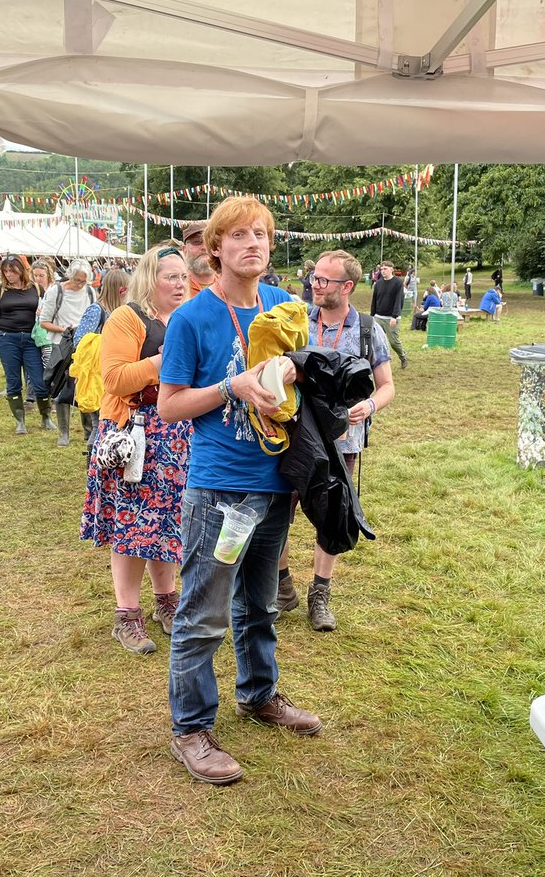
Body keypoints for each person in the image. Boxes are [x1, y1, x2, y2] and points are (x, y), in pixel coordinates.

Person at [158, 196, 320, 786]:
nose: (254, 243)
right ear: (216, 248)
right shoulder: (192, 318)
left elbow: (303, 370)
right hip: (220, 491)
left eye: (262, 234)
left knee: (261, 603)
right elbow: (170, 405)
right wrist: (233, 385)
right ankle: (192, 728)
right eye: (240, 235)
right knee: (203, 613)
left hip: (276, 483)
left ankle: (259, 695)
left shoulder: (283, 307)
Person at [276, 250, 395, 631]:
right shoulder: (296, 320)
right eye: (314, 276)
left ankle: (320, 594)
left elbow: (387, 385)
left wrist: (370, 405)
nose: (315, 283)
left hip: (342, 441)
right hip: (292, 434)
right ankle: (282, 588)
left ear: (347, 287)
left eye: (324, 280)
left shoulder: (366, 328)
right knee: (279, 512)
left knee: (331, 513)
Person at [83, 245, 191, 653]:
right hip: (136, 434)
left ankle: (167, 601)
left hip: (179, 434)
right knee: (132, 527)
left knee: (166, 523)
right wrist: (158, 364)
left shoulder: (186, 316)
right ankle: (126, 616)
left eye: (183, 277)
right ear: (150, 278)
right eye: (171, 277)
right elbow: (113, 379)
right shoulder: (128, 318)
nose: (179, 284)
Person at [0, 254, 54, 434]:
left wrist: (43, 313)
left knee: (39, 380)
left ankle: (46, 416)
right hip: (7, 338)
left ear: (21, 271)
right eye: (6, 271)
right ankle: (20, 421)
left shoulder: (36, 288)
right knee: (13, 380)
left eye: (12, 271)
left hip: (31, 339)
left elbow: (48, 310)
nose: (9, 275)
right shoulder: (0, 290)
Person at [73, 268, 131, 453]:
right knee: (100, 421)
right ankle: (93, 458)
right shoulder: (97, 310)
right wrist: (109, 343)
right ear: (120, 289)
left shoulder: (123, 311)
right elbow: (80, 340)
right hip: (97, 375)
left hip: (114, 373)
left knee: (109, 422)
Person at [39, 258, 94, 446]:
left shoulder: (90, 292)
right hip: (61, 345)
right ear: (70, 276)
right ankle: (64, 433)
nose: (79, 284)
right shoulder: (57, 291)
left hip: (86, 346)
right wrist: (64, 329)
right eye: (77, 280)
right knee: (62, 387)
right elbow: (44, 322)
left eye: (83, 281)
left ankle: (89, 431)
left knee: (85, 386)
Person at [370, 259, 408, 369]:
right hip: (378, 317)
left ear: (391, 269)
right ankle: (379, 361)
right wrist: (372, 316)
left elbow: (398, 301)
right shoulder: (378, 283)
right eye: (381, 269)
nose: (383, 271)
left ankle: (403, 357)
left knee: (393, 341)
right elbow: (374, 300)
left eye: (385, 269)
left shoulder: (397, 283)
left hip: (391, 317)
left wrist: (394, 316)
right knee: (375, 340)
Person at [179, 221, 211, 298]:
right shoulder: (178, 287)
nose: (204, 247)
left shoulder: (229, 285)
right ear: (185, 250)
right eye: (197, 242)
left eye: (209, 242)